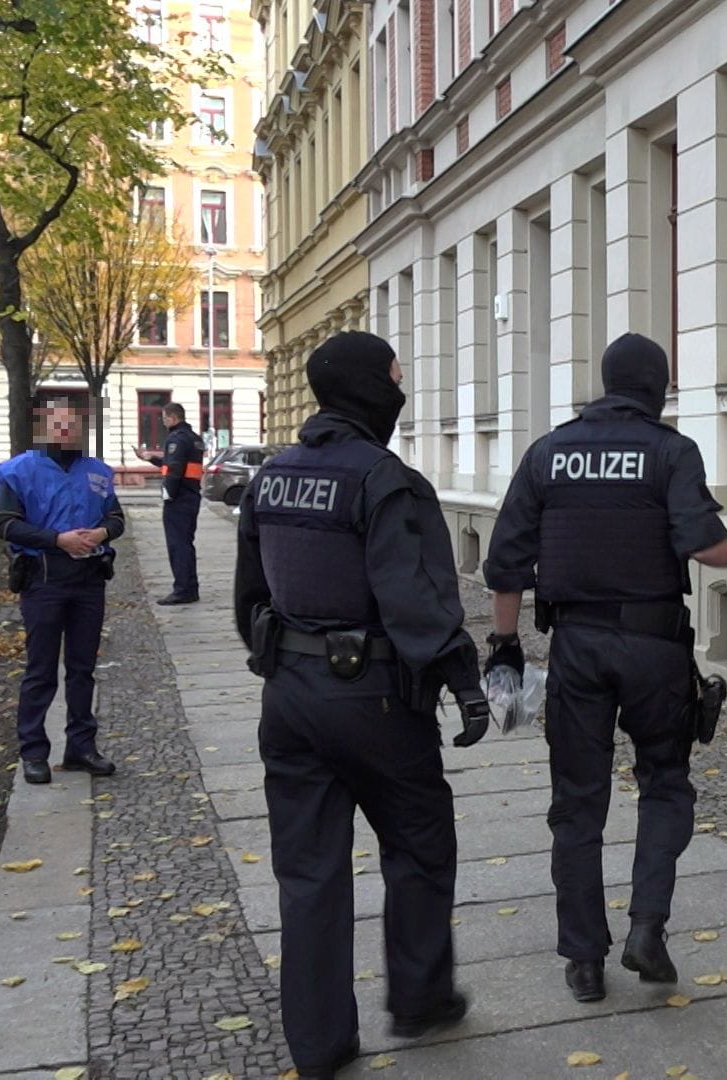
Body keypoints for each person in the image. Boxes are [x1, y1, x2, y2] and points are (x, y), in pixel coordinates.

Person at [482, 332, 727, 1005]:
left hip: (578, 647)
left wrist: (504, 645)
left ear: (605, 379)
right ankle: (647, 927)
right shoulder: (669, 451)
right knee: (666, 784)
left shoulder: (549, 452)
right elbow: (703, 543)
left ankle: (585, 961)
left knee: (578, 806)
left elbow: (505, 561)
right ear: (657, 386)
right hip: (654, 647)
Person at [232, 332, 490, 1079]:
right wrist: (462, 679)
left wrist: (280, 660)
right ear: (366, 388)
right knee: (419, 843)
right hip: (374, 702)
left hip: (288, 700)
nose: (401, 391)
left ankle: (318, 1045)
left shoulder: (272, 477)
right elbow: (416, 598)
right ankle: (418, 997)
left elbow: (251, 598)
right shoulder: (386, 480)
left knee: (309, 875)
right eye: (394, 379)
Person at [0, 399, 125, 785]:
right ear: (45, 427)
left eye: (75, 423)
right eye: (60, 423)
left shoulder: (97, 471)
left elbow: (115, 518)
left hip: (89, 580)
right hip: (43, 579)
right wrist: (56, 539)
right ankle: (33, 752)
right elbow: (4, 524)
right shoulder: (18, 471)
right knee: (41, 669)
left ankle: (81, 747)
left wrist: (101, 532)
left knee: (83, 669)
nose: (68, 430)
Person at [134, 401, 205, 605]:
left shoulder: (176, 439)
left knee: (177, 545)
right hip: (191, 496)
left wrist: (168, 495)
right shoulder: (194, 439)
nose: (164, 422)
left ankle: (182, 590)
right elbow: (175, 462)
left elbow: (174, 469)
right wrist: (151, 458)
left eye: (165, 418)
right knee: (186, 544)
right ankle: (191, 587)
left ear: (173, 418)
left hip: (179, 499)